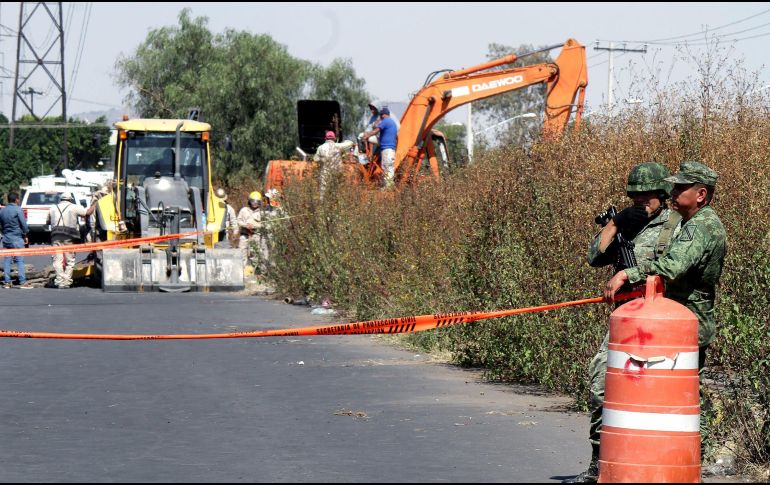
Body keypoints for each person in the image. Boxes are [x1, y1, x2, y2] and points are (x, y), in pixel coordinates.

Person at [602, 161, 726, 475]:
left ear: (700, 194)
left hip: (686, 324)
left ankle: (684, 465)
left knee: (677, 403)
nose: (673, 192)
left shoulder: (703, 224)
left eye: (680, 187)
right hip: (669, 323)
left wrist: (628, 273)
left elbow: (671, 266)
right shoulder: (687, 222)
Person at [567, 162, 681, 483]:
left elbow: (678, 267)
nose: (642, 202)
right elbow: (594, 257)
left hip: (660, 321)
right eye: (635, 197)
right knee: (603, 383)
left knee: (661, 395)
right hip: (624, 319)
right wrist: (615, 226)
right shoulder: (626, 223)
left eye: (648, 196)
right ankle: (599, 466)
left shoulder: (676, 226)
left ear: (662, 195)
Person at [47, 191, 99, 289]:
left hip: (55, 236)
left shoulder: (52, 208)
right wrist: (95, 203)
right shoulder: (74, 207)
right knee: (69, 260)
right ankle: (66, 281)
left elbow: (47, 221)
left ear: (60, 199)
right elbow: (87, 212)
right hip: (69, 237)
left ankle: (59, 281)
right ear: (70, 199)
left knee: (57, 260)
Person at [0, 192, 31, 289]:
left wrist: (4, 233)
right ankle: (22, 282)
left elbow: (0, 225)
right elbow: (24, 225)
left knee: (7, 260)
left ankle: (7, 282)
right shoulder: (18, 210)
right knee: (19, 260)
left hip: (6, 238)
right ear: (17, 199)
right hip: (17, 238)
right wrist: (25, 234)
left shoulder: (2, 211)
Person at [364, 107, 398, 186]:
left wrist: (367, 135)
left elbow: (376, 131)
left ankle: (388, 188)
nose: (380, 117)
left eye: (381, 115)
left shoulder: (386, 121)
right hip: (390, 149)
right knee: (388, 168)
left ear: (384, 115)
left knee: (387, 168)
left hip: (387, 150)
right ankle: (387, 187)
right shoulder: (392, 123)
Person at [314, 130, 354, 195]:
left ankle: (322, 204)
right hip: (336, 172)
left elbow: (316, 159)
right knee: (335, 192)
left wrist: (322, 159)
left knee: (323, 193)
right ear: (334, 138)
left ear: (325, 138)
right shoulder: (338, 146)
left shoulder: (320, 147)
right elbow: (351, 143)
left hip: (324, 173)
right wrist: (343, 142)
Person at [237, 191, 269, 272]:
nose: (254, 203)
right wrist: (245, 225)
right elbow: (238, 221)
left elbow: (264, 225)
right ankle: (241, 271)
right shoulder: (244, 210)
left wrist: (254, 226)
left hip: (256, 235)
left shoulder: (262, 212)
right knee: (241, 252)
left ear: (260, 202)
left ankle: (254, 271)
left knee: (254, 253)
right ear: (249, 201)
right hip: (244, 235)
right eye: (253, 201)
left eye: (257, 202)